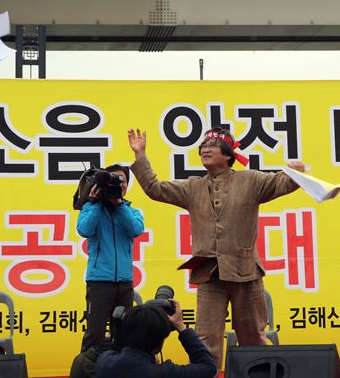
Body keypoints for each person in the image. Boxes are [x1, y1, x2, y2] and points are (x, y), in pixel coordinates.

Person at [127, 127, 304, 370]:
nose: (205, 149)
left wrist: (295, 173)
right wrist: (140, 155)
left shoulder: (250, 180)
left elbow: (281, 182)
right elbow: (155, 188)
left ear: (228, 155)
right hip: (209, 275)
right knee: (206, 342)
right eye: (203, 146)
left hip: (247, 273)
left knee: (253, 341)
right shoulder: (193, 187)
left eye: (212, 145)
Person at [77, 164, 145, 352]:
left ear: (127, 185)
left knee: (123, 333)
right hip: (99, 281)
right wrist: (94, 203)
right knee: (94, 334)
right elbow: (85, 229)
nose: (118, 183)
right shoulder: (91, 207)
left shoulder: (131, 211)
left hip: (125, 282)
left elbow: (135, 230)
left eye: (122, 180)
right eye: (113, 179)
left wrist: (119, 205)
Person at [95, 299, 216, 378]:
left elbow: (115, 346)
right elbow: (208, 367)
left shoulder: (104, 362)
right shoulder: (166, 373)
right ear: (159, 346)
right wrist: (181, 327)